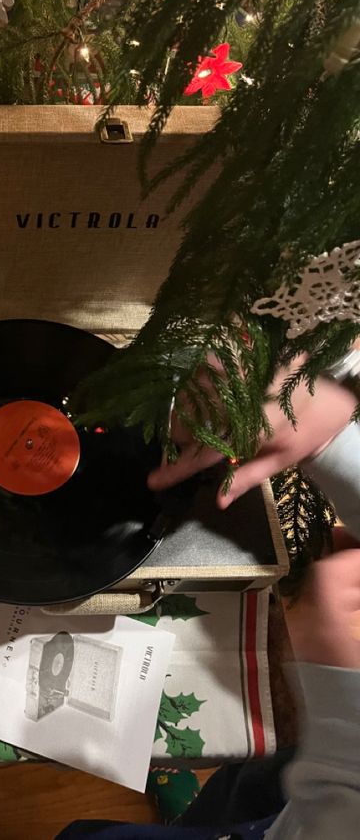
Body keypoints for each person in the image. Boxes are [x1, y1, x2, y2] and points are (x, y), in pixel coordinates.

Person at [56, 355, 360, 839]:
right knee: (245, 789)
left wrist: (343, 706)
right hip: (309, 784)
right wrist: (334, 441)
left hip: (333, 787)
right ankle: (200, 815)